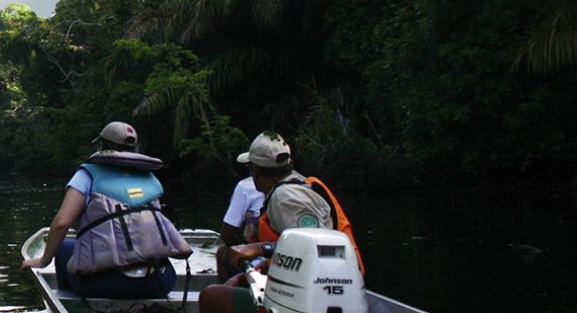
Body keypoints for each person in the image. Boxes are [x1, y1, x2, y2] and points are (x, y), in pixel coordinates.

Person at [21, 121, 193, 299]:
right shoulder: (149, 177)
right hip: (160, 282)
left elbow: (61, 223)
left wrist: (43, 261)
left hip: (108, 285)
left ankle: (70, 305)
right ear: (135, 149)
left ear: (101, 146)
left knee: (64, 248)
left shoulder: (86, 175)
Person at [199, 132, 364, 313]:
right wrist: (251, 273)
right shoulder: (296, 187)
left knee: (210, 296)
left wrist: (258, 248)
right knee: (229, 264)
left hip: (309, 301)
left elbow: (315, 247)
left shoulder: (286, 197)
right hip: (316, 291)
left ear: (255, 171)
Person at [217, 157, 264, 246]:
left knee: (222, 252)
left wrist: (239, 249)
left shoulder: (245, 185)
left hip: (261, 246)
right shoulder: (296, 181)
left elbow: (227, 233)